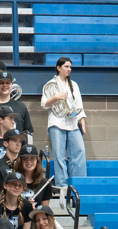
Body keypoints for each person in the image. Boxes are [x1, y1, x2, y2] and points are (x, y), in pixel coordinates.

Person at [41, 57, 87, 193]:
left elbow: (79, 106)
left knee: (79, 151)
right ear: (58, 67)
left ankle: (78, 183)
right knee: (59, 155)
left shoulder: (74, 85)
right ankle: (62, 185)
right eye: (66, 66)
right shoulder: (49, 84)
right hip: (57, 123)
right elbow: (44, 104)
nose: (69, 69)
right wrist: (56, 97)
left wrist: (82, 123)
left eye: (70, 67)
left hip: (72, 122)